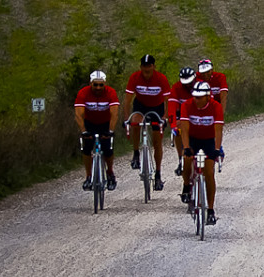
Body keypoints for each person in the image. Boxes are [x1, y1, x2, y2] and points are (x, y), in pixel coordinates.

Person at [123, 54, 171, 190]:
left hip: (157, 107)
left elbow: (168, 101)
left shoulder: (161, 79)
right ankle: (136, 153)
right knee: (135, 122)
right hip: (140, 106)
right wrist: (126, 118)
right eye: (144, 66)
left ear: (153, 66)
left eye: (149, 66)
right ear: (141, 67)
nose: (146, 69)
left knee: (157, 142)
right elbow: (127, 100)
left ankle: (158, 174)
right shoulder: (135, 77)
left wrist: (165, 118)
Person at [179, 81, 224, 226]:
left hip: (209, 141)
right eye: (195, 97)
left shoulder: (216, 106)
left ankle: (210, 210)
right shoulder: (186, 105)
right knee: (186, 159)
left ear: (208, 96)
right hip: (193, 139)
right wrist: (186, 147)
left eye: (199, 97)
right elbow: (184, 129)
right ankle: (186, 185)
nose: (196, 100)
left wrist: (217, 149)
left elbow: (218, 130)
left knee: (209, 172)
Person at [74, 70, 120, 191]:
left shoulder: (111, 92)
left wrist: (111, 131)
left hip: (105, 124)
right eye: (95, 85)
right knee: (86, 148)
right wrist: (83, 131)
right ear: (90, 83)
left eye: (101, 85)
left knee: (108, 149)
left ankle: (110, 173)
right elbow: (79, 115)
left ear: (105, 84)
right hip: (90, 124)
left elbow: (114, 114)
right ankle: (88, 176)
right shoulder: (83, 93)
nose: (98, 87)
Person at [167, 66, 196, 176]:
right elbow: (171, 109)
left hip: (198, 113)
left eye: (190, 82)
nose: (188, 85)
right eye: (185, 83)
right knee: (178, 128)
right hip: (182, 114)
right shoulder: (176, 88)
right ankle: (181, 159)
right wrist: (173, 125)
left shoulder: (201, 85)